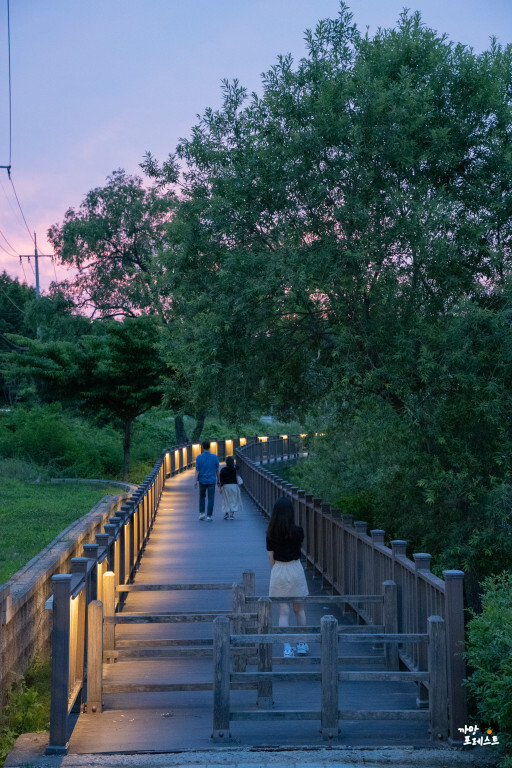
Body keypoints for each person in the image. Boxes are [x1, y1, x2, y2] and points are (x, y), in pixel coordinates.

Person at [266, 496, 309, 658]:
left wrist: (276, 570)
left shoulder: (270, 533)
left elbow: (271, 558)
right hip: (295, 568)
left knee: (283, 611)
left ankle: (287, 647)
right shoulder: (298, 532)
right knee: (299, 609)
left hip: (279, 570)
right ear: (291, 513)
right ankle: (302, 643)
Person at [194, 441, 220, 521]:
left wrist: (195, 481)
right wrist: (218, 480)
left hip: (202, 480)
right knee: (211, 498)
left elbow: (197, 470)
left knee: (202, 496)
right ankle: (209, 515)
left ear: (202, 447)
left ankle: (202, 513)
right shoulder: (215, 457)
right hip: (212, 480)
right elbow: (217, 470)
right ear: (209, 447)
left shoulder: (199, 457)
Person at [219, 455, 242, 519]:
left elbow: (221, 480)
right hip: (234, 486)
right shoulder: (234, 469)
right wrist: (234, 464)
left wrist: (220, 488)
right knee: (233, 500)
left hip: (225, 486)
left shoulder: (223, 470)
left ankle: (226, 513)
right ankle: (232, 514)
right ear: (232, 462)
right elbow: (238, 467)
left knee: (226, 500)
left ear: (226, 462)